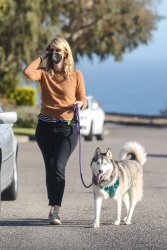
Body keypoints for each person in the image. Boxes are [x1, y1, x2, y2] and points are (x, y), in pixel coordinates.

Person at [23, 37, 87, 225]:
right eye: (52, 51)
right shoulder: (44, 73)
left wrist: (80, 103)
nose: (55, 54)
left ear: (66, 53)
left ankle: (56, 211)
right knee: (50, 169)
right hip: (44, 128)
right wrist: (41, 56)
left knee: (59, 167)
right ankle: (52, 206)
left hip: (67, 128)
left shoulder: (76, 74)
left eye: (58, 51)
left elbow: (84, 99)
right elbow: (27, 72)